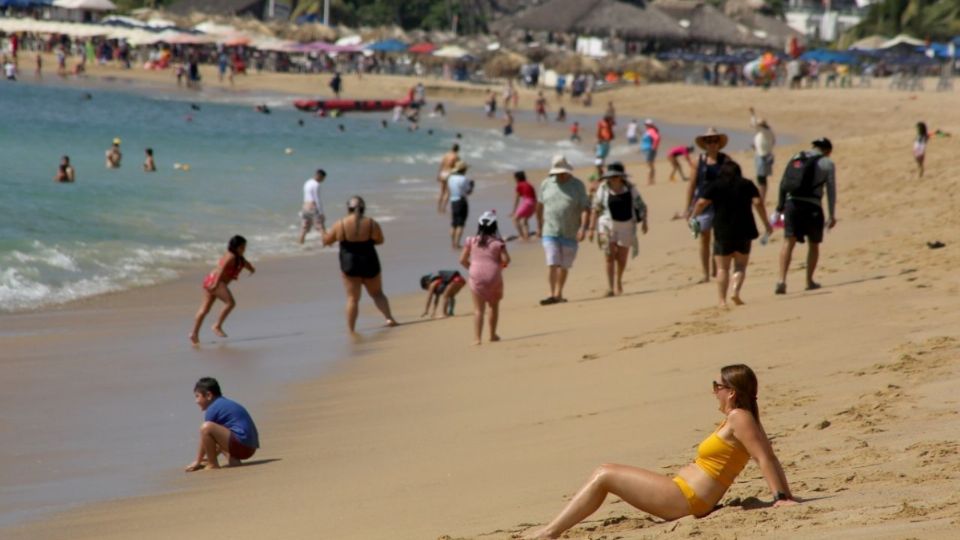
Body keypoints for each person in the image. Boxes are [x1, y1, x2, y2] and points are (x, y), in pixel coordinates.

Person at [527, 364, 797, 539]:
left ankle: (550, 533)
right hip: (683, 492)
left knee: (604, 473)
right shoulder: (737, 417)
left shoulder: (740, 417)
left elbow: (765, 457)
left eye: (717, 387)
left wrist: (781, 497)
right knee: (605, 473)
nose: (714, 391)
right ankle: (552, 531)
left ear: (732, 392)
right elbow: (766, 454)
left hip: (686, 499)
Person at [691, 161, 773, 307]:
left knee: (723, 268)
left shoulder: (715, 185)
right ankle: (735, 292)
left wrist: (693, 217)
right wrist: (766, 224)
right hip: (745, 229)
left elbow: (701, 203)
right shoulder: (747, 184)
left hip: (723, 231)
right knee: (740, 266)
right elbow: (758, 203)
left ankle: (722, 301)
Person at [322, 196, 398, 332]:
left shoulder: (340, 224)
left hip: (349, 263)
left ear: (348, 208)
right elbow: (380, 240)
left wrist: (322, 229)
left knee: (352, 299)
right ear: (363, 208)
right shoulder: (371, 223)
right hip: (370, 261)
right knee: (377, 293)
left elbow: (327, 241)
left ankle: (351, 329)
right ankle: (389, 318)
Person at [775, 138, 837, 294]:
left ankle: (781, 280)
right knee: (814, 244)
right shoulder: (827, 163)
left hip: (792, 204)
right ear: (828, 151)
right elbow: (831, 190)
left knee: (788, 242)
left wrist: (780, 207)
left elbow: (783, 182)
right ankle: (809, 281)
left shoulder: (797, 157)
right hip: (813, 206)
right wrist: (832, 215)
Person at [536, 155, 591, 305]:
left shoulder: (577, 185)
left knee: (564, 265)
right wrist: (539, 226)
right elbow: (539, 206)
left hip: (570, 231)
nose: (559, 175)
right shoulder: (546, 184)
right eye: (557, 172)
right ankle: (551, 293)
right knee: (552, 262)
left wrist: (583, 228)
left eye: (562, 172)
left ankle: (559, 293)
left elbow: (585, 208)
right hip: (550, 230)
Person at [589, 162, 647, 297]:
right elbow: (595, 208)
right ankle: (610, 288)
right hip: (606, 225)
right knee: (609, 256)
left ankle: (619, 280)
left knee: (621, 258)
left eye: (616, 176)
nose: (613, 178)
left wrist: (645, 222)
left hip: (626, 226)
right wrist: (591, 229)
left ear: (622, 177)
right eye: (611, 176)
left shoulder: (630, 188)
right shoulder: (603, 189)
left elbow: (641, 205)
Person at [190, 235, 256, 345]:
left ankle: (194, 334)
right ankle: (217, 325)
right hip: (216, 281)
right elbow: (220, 269)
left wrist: (252, 269)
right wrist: (215, 284)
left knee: (205, 309)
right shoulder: (230, 256)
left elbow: (245, 264)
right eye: (242, 247)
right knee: (230, 303)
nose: (244, 249)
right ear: (235, 247)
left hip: (210, 280)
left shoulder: (239, 259)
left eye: (244, 247)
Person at [685, 128, 731, 283]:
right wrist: (688, 208)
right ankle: (705, 274)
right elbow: (691, 185)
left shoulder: (726, 160)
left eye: (714, 140)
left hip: (722, 204)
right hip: (702, 204)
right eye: (708, 141)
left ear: (719, 143)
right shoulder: (698, 161)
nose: (712, 144)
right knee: (704, 237)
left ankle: (716, 270)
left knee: (718, 238)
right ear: (704, 144)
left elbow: (733, 181)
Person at [185, 377, 260, 472]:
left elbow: (205, 436)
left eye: (197, 396)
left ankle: (212, 464)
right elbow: (216, 439)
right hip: (250, 447)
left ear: (208, 395)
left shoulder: (213, 408)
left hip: (243, 446)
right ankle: (233, 460)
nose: (196, 401)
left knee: (206, 428)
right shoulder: (224, 403)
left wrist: (198, 461)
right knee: (219, 430)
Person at [459, 211, 510, 345]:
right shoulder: (498, 243)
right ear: (495, 226)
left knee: (478, 310)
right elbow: (506, 260)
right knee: (493, 306)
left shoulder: (471, 241)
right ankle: (492, 335)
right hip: (494, 275)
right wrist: (501, 267)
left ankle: (477, 338)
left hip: (476, 275)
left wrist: (471, 268)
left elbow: (462, 260)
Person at [749, 107, 776, 202]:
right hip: (763, 155)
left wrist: (752, 114)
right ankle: (761, 197)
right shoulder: (767, 132)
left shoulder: (765, 131)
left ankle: (761, 198)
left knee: (761, 178)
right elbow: (772, 142)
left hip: (763, 156)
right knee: (761, 178)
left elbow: (753, 124)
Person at [447, 161, 474, 249]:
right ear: (464, 169)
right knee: (460, 223)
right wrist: (472, 186)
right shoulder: (464, 179)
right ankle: (457, 243)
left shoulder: (450, 178)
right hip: (461, 201)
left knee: (454, 223)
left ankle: (452, 243)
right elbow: (468, 191)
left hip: (453, 200)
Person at [298, 169, 327, 244]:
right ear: (320, 176)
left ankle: (300, 244)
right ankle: (327, 243)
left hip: (305, 206)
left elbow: (306, 195)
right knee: (321, 227)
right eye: (323, 178)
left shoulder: (307, 182)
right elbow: (317, 199)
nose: (323, 180)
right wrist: (321, 212)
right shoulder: (316, 184)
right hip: (312, 206)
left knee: (304, 227)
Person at [511, 171, 537, 240]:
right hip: (534, 203)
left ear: (517, 178)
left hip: (527, 202)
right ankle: (526, 234)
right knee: (525, 220)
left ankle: (521, 236)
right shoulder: (529, 184)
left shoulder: (519, 185)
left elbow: (517, 199)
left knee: (515, 219)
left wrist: (514, 211)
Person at [437, 143, 460, 213]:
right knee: (447, 192)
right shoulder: (456, 156)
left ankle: (438, 207)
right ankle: (443, 208)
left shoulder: (446, 155)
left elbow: (441, 164)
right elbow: (457, 168)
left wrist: (438, 174)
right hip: (449, 174)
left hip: (442, 172)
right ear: (457, 150)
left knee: (441, 191)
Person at [639, 119, 660, 185]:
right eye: (645, 124)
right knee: (651, 165)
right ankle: (652, 180)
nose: (645, 125)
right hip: (648, 150)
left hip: (649, 150)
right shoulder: (649, 131)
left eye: (646, 124)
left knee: (649, 166)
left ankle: (649, 181)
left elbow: (657, 138)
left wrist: (653, 147)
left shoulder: (651, 131)